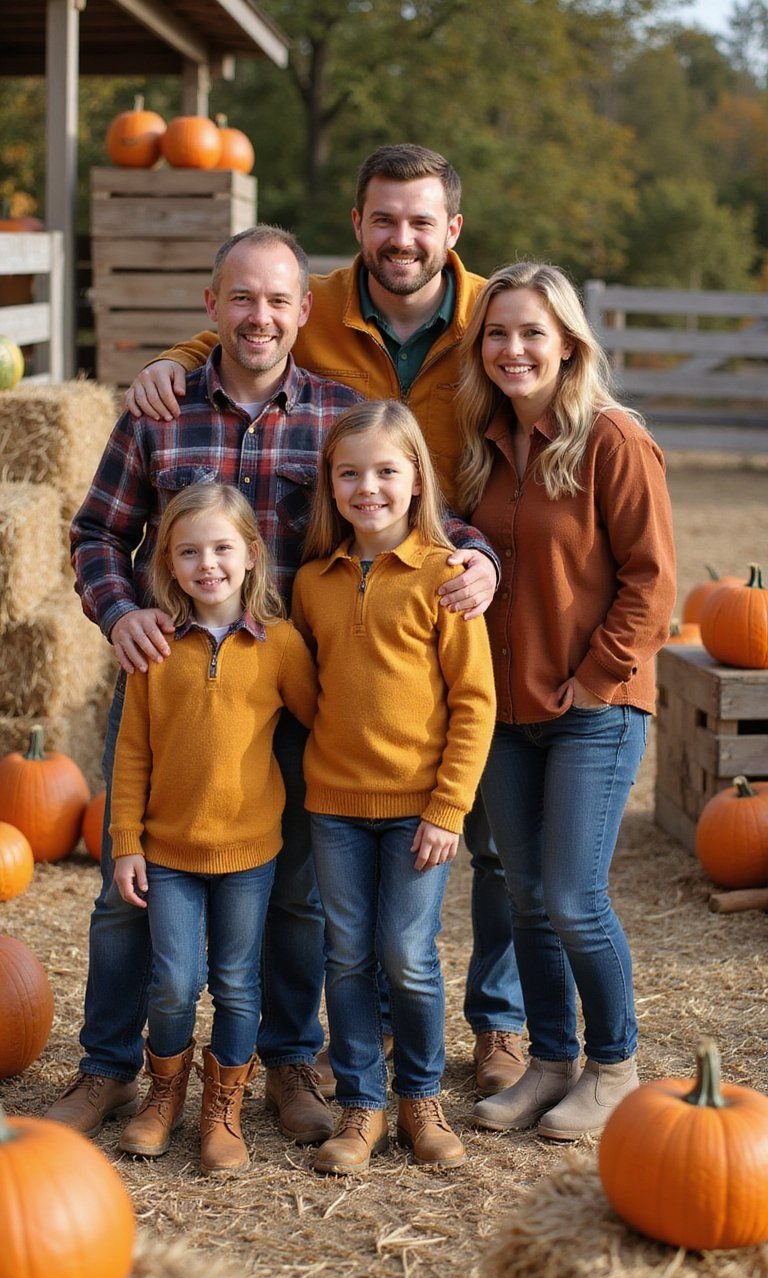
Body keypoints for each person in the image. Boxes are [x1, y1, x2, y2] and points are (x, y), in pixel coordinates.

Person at [49, 223, 495, 1142]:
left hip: (297, 691)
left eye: (278, 300)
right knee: (124, 892)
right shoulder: (160, 410)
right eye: (241, 298)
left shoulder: (336, 412)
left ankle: (290, 1066)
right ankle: (108, 1067)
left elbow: (410, 501)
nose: (260, 316)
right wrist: (119, 610)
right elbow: (96, 533)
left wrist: (477, 561)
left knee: (293, 893)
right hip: (170, 681)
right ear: (213, 309)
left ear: (304, 312)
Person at [125, 143, 526, 1097]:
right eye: (384, 219)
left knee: (445, 863)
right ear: (357, 226)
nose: (402, 237)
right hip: (248, 638)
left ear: (452, 232)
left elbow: (416, 484)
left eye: (421, 221)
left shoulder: (485, 326)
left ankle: (466, 1032)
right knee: (240, 886)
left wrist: (481, 556)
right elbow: (243, 324)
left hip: (389, 613)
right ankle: (195, 1062)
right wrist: (178, 360)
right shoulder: (311, 315)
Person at [452, 262, 676, 1141]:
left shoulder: (612, 441)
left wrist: (593, 679)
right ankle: (550, 1061)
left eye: (532, 333)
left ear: (569, 344)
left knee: (574, 896)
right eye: (498, 333)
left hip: (596, 708)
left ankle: (613, 1065)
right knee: (524, 899)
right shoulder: (484, 446)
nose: (513, 349)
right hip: (506, 714)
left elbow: (652, 582)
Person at [291, 401, 496, 1175]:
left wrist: (448, 807)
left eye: (385, 470)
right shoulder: (314, 582)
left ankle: (420, 1098)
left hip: (419, 812)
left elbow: (474, 702)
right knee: (345, 958)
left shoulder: (446, 576)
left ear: (416, 480)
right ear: (331, 486)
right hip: (334, 808)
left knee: (407, 955)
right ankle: (362, 1104)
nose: (367, 486)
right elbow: (313, 691)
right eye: (350, 473)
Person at [110, 482, 317, 1174]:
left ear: (252, 555)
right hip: (168, 853)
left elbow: (324, 721)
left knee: (236, 982)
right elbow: (131, 752)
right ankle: (163, 1095)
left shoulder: (281, 645)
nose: (208, 564)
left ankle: (222, 1107)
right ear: (167, 563)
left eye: (222, 547)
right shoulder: (155, 648)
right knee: (172, 981)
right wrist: (125, 843)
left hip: (250, 853)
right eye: (189, 551)